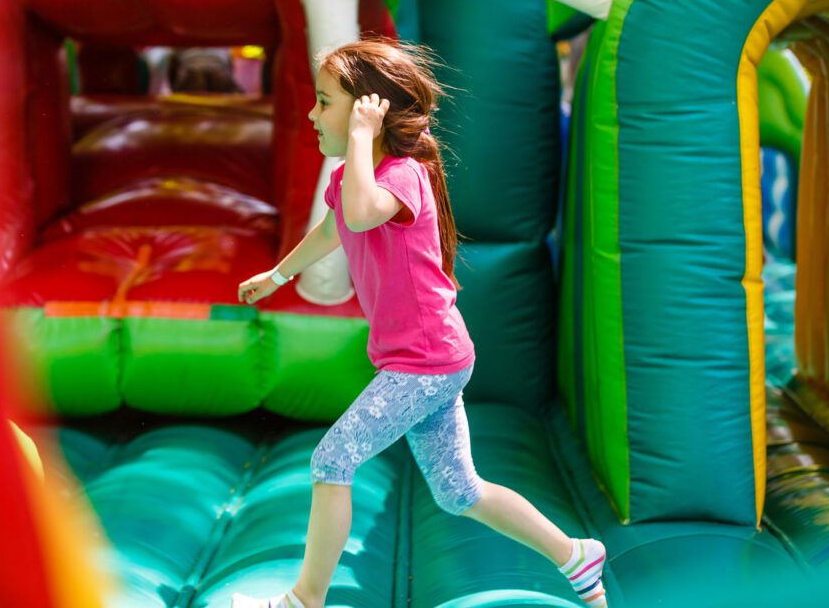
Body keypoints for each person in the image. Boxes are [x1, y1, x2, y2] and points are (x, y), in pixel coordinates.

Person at [232, 37, 608, 608]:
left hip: (426, 361)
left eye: (324, 101)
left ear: (368, 110)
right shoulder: (352, 177)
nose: (312, 114)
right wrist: (279, 275)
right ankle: (574, 554)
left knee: (332, 459)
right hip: (428, 357)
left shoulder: (403, 176)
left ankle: (304, 600)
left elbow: (361, 211)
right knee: (460, 492)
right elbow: (338, 226)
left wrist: (360, 138)